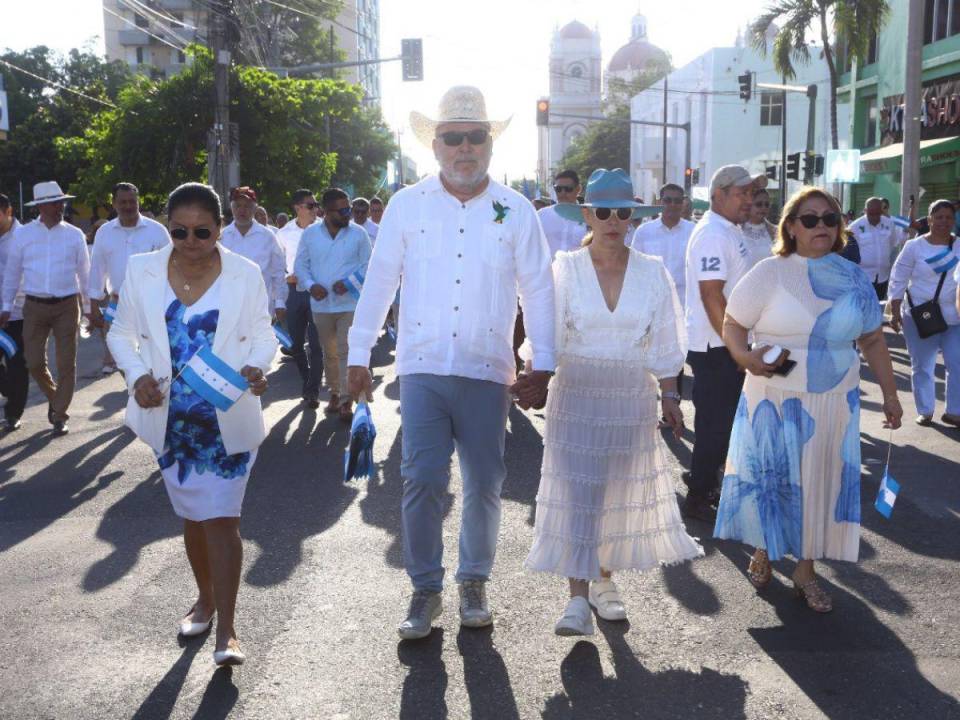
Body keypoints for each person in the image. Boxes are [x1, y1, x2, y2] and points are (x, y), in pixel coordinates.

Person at [345, 85, 556, 640]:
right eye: (453, 137)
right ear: (435, 146)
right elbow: (380, 282)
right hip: (422, 367)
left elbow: (537, 289)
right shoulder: (406, 206)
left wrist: (544, 361)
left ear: (490, 143)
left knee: (486, 481)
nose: (465, 148)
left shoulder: (515, 210)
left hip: (488, 369)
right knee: (420, 480)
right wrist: (358, 354)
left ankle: (474, 582)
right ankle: (424, 589)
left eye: (475, 136)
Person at [526, 169, 703, 636]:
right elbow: (544, 335)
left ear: (632, 217)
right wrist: (534, 375)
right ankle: (577, 600)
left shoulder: (652, 272)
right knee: (578, 492)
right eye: (602, 211)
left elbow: (666, 339)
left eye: (622, 212)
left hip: (629, 395)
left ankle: (604, 582)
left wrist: (670, 395)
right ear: (586, 214)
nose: (611, 220)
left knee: (613, 497)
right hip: (577, 392)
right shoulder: (563, 268)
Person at [107, 182, 277, 666]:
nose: (190, 241)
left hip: (226, 413)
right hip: (171, 421)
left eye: (202, 231)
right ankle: (204, 599)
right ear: (168, 228)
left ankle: (228, 630)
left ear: (219, 228)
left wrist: (257, 368)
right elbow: (121, 333)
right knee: (194, 518)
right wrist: (136, 375)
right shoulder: (142, 270)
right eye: (180, 231)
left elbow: (264, 335)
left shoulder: (244, 274)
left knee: (223, 518)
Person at [714, 186, 903, 613]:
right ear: (792, 227)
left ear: (839, 227)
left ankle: (805, 569)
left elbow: (873, 339)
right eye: (811, 219)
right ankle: (765, 546)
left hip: (835, 398)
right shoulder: (770, 272)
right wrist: (744, 358)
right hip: (774, 394)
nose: (822, 226)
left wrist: (891, 396)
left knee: (820, 482)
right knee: (774, 478)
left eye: (830, 218)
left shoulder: (853, 276)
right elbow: (733, 322)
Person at [682, 165, 764, 521]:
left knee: (721, 424)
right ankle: (698, 495)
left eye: (750, 193)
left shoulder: (729, 230)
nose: (748, 200)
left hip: (725, 344)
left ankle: (705, 481)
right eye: (740, 193)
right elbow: (712, 296)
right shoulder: (713, 234)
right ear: (717, 195)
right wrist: (737, 349)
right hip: (716, 347)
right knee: (716, 427)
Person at [0, 181, 91, 435]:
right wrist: (6, 306)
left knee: (66, 364)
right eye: (53, 202)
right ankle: (56, 398)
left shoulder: (74, 235)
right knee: (33, 362)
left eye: (61, 201)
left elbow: (85, 274)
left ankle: (60, 415)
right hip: (34, 306)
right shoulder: (24, 235)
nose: (59, 206)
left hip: (66, 305)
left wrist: (89, 308)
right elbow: (12, 274)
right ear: (40, 206)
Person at [295, 188, 372, 421]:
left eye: (348, 208)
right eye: (343, 210)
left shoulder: (358, 234)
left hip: (349, 304)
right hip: (321, 306)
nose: (349, 213)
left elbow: (370, 265)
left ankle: (348, 400)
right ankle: (335, 394)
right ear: (326, 212)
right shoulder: (310, 234)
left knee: (345, 349)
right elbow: (300, 265)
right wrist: (310, 285)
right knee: (329, 353)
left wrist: (349, 283)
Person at [888, 199, 960, 427]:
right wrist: (895, 310)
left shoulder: (958, 245)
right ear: (929, 220)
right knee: (923, 365)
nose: (944, 222)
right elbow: (898, 278)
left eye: (949, 217)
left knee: (957, 363)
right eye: (939, 217)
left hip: (954, 317)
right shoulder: (914, 247)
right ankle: (926, 410)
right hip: (921, 317)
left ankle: (954, 411)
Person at [87, 183, 170, 374]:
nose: (128, 206)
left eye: (132, 201)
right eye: (122, 202)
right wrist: (92, 305)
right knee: (124, 364)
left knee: (154, 362)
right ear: (114, 204)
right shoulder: (104, 232)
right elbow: (97, 270)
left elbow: (171, 268)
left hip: (152, 305)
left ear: (138, 202)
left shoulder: (157, 231)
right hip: (118, 305)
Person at [631, 182, 695, 397]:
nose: (672, 205)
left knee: (674, 357)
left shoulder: (693, 231)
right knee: (647, 358)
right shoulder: (644, 231)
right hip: (650, 306)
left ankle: (671, 407)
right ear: (659, 202)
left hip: (684, 305)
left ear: (683, 203)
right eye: (668, 200)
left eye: (677, 200)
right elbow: (636, 268)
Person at [276, 189, 324, 409]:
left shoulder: (325, 229)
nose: (315, 209)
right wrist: (288, 277)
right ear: (297, 208)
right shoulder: (284, 234)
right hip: (293, 292)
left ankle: (312, 390)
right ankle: (307, 381)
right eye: (310, 205)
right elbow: (277, 266)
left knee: (316, 344)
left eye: (316, 205)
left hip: (317, 292)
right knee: (295, 344)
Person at [219, 187, 287, 323]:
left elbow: (278, 272)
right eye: (238, 206)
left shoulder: (268, 236)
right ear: (232, 208)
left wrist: (279, 303)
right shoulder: (221, 237)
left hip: (261, 307)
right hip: (228, 306)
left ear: (254, 209)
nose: (242, 210)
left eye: (247, 206)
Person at [0, 193, 27, 432]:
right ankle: (8, 390)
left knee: (17, 363)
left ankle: (13, 413)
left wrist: (6, 305)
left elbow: (24, 277)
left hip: (18, 314)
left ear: (8, 211)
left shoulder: (24, 237)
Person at [848, 197, 901, 299]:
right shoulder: (854, 227)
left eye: (878, 214)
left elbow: (892, 243)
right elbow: (851, 253)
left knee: (879, 306)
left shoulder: (889, 224)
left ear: (881, 211)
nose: (875, 217)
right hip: (863, 277)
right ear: (865, 211)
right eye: (871, 214)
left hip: (883, 277)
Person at [538, 170, 588, 258]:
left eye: (568, 189)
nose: (562, 193)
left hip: (578, 270)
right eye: (558, 189)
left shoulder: (588, 216)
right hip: (549, 270)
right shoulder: (542, 215)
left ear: (578, 189)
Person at [741, 187, 777, 270]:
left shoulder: (776, 232)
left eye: (767, 204)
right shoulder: (736, 230)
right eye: (759, 204)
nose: (763, 208)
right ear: (749, 205)